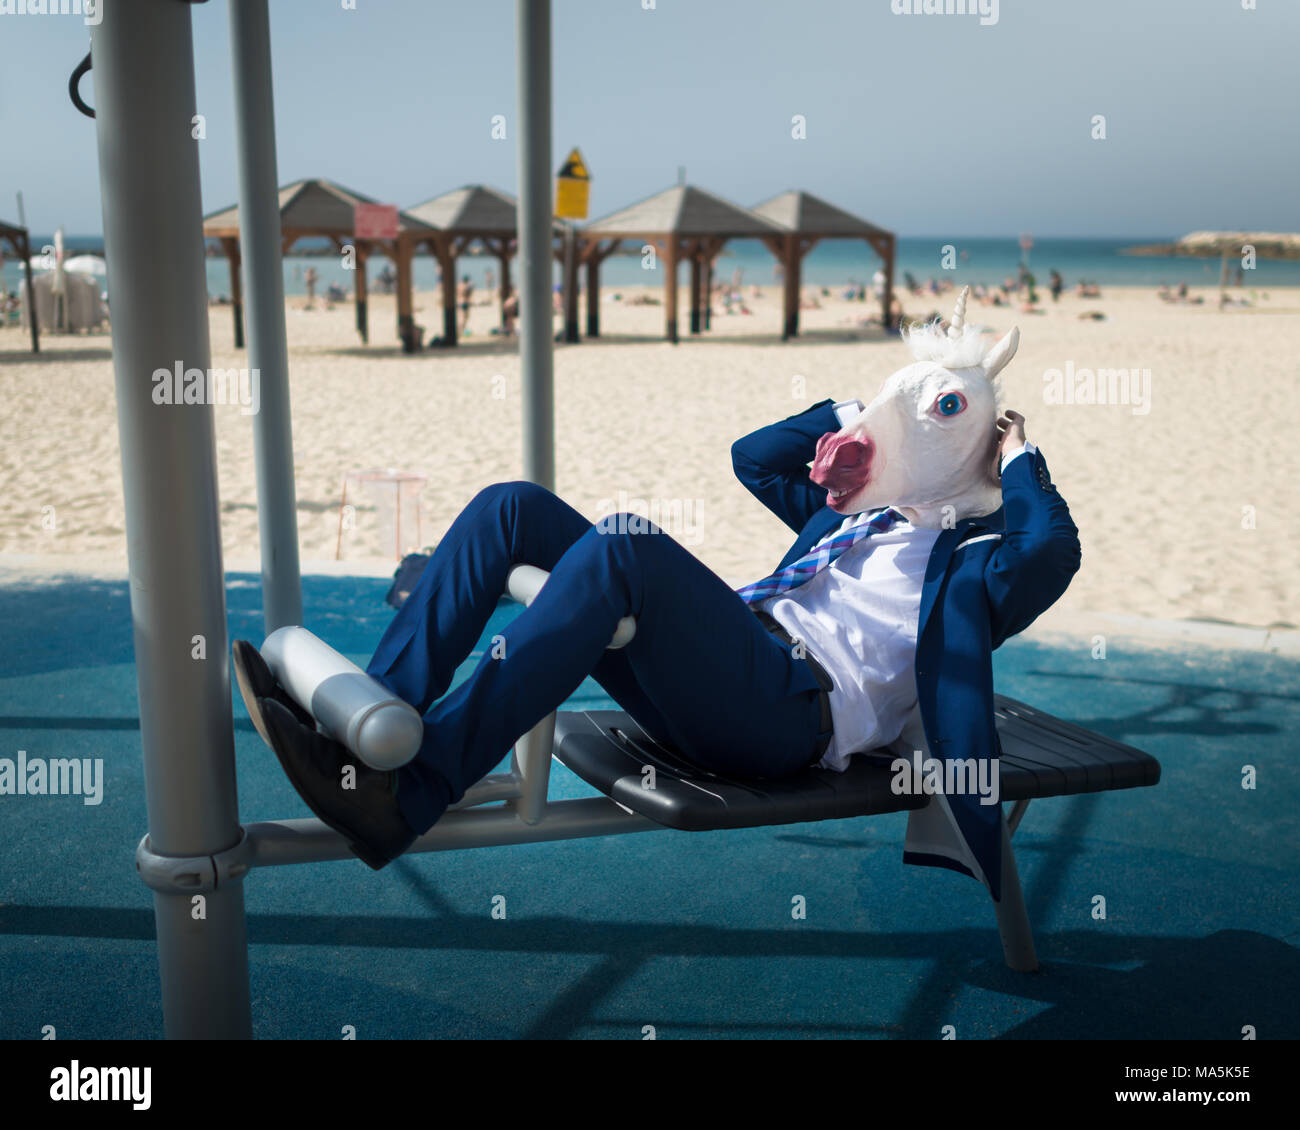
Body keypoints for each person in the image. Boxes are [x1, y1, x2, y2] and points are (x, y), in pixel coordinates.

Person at [235, 306, 1080, 894]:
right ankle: (374, 727)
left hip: (790, 716)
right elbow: (756, 457)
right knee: (511, 505)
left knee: (625, 546)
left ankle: (408, 797)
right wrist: (869, 415)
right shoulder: (855, 510)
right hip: (737, 661)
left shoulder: (980, 564)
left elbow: (1055, 550)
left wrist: (1017, 455)